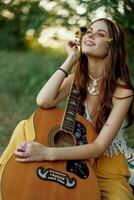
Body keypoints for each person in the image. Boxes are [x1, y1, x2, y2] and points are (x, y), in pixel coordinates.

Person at [1, 18, 134, 199]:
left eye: (100, 34)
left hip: (107, 163)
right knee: (24, 126)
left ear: (112, 46)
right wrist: (70, 59)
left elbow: (98, 147)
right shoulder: (77, 78)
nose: (90, 34)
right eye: (89, 31)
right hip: (74, 151)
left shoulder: (123, 91)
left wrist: (47, 153)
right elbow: (43, 101)